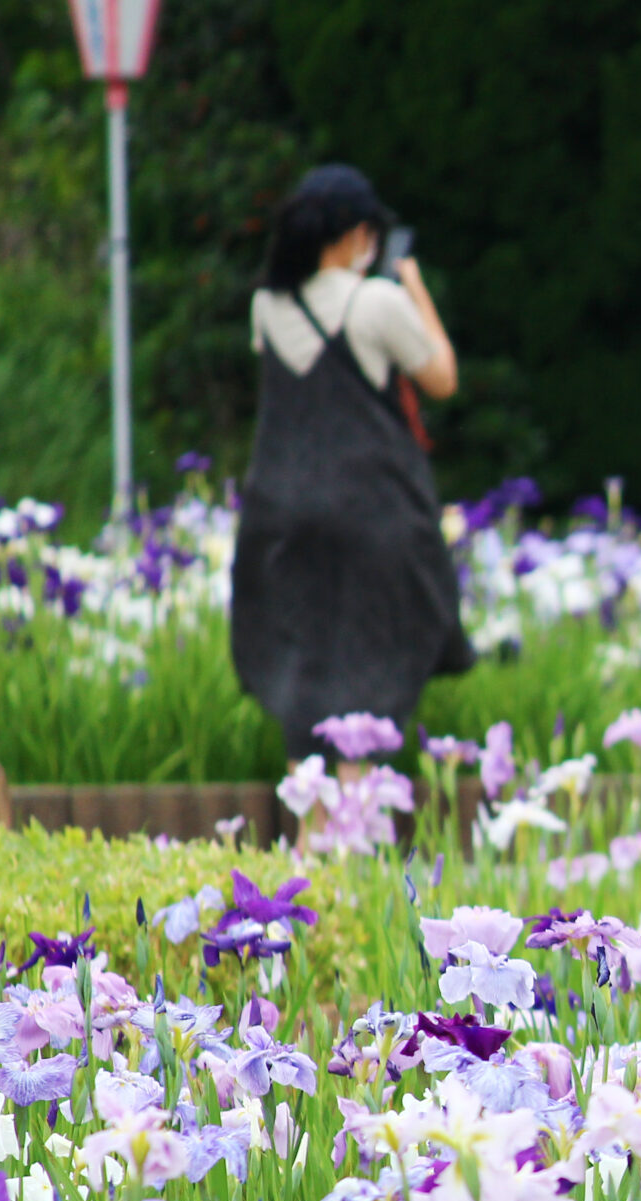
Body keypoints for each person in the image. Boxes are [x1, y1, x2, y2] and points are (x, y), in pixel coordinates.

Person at [231, 163, 473, 761]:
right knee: (369, 672)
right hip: (372, 511)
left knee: (304, 670)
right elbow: (441, 378)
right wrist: (412, 284)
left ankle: (309, 834)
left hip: (282, 512)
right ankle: (354, 824)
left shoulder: (267, 305)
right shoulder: (377, 302)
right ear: (355, 233)